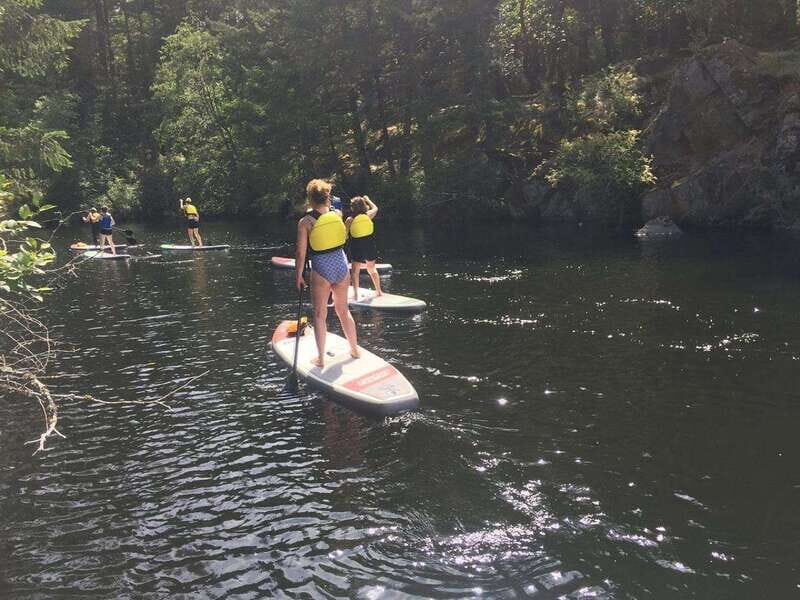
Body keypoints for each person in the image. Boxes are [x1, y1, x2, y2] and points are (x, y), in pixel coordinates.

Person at [295, 179, 359, 368]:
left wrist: (298, 275)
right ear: (327, 197)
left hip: (321, 268)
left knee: (319, 314)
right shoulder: (338, 213)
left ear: (310, 199)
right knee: (343, 310)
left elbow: (300, 253)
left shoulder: (305, 222)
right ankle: (354, 349)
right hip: (341, 265)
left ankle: (322, 359)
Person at [346, 196, 382, 300]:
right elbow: (375, 208)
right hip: (369, 245)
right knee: (371, 269)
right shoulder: (369, 215)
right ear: (364, 206)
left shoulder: (350, 219)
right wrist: (368, 199)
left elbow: (345, 234)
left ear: (353, 208)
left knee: (355, 271)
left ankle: (356, 294)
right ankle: (379, 291)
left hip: (356, 245)